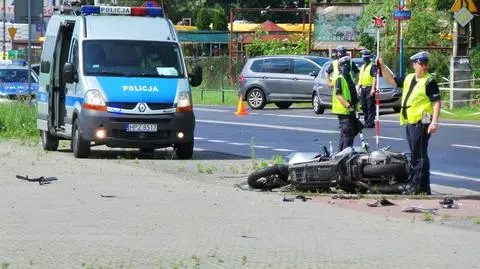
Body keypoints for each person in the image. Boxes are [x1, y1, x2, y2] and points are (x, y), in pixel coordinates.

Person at [377, 51, 441, 195]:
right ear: (414, 65)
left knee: (419, 154)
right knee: (416, 154)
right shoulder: (409, 78)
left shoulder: (429, 81)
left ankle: (418, 186)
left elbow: (436, 103)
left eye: (426, 64)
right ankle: (422, 186)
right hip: (411, 120)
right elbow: (391, 80)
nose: (424, 67)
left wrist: (434, 122)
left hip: (423, 120)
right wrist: (382, 67)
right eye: (421, 64)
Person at [331, 56, 363, 152]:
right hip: (344, 111)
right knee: (348, 134)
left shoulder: (349, 77)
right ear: (340, 67)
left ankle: (340, 154)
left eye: (348, 64)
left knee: (347, 134)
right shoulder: (340, 79)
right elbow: (338, 94)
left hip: (351, 110)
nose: (346, 66)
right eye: (344, 65)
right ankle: (345, 156)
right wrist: (348, 105)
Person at [356, 49, 377, 128]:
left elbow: (375, 77)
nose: (364, 59)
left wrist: (373, 88)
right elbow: (360, 78)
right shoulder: (362, 67)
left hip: (369, 88)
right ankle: (366, 120)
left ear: (368, 58)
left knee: (370, 106)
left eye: (365, 58)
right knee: (364, 105)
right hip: (363, 89)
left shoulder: (372, 66)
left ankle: (370, 122)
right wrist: (358, 86)